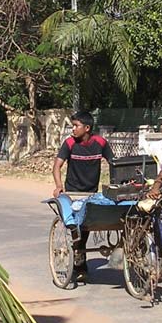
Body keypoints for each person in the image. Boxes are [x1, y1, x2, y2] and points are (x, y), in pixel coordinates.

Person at [51, 110, 114, 279]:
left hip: (90, 192)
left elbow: (113, 163)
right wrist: (58, 186)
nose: (73, 129)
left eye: (76, 126)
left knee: (86, 226)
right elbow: (56, 166)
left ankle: (80, 258)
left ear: (87, 128)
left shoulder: (100, 142)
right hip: (72, 192)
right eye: (73, 126)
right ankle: (80, 263)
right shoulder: (70, 143)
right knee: (75, 227)